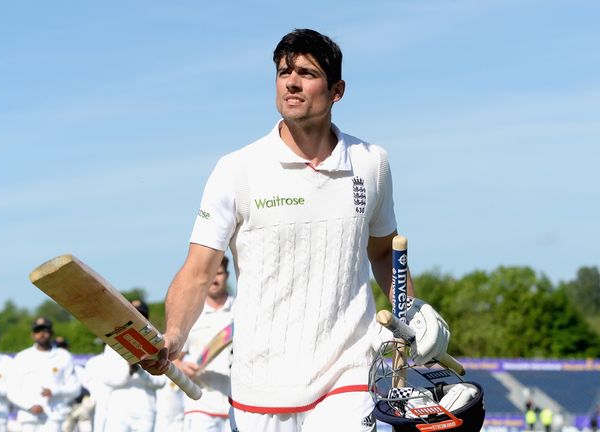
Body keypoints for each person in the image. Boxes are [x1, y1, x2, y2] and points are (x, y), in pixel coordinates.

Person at [141, 28, 450, 432]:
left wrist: (411, 313)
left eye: (306, 72)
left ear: (337, 90)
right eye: (284, 71)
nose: (291, 81)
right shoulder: (236, 169)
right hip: (259, 385)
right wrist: (175, 333)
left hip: (348, 374)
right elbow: (199, 270)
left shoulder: (372, 163)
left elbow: (381, 252)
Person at [174, 256, 234, 431]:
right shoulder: (192, 313)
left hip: (237, 406)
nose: (215, 279)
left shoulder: (241, 309)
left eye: (219, 273)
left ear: (227, 275)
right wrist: (182, 367)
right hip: (200, 405)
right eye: (211, 274)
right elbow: (174, 359)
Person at [97, 300, 166, 432]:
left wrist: (141, 370)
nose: (136, 319)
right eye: (133, 315)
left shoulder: (157, 345)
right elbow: (107, 379)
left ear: (147, 319)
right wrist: (129, 369)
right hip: (118, 410)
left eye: (141, 315)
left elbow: (161, 381)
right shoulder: (112, 345)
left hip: (145, 411)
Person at [8, 317, 82, 432]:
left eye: (45, 330)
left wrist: (55, 391)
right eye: (38, 331)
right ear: (32, 335)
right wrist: (30, 406)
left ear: (51, 333)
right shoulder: (22, 357)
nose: (41, 334)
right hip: (28, 418)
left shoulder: (63, 356)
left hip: (54, 419)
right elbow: (12, 391)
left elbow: (75, 389)